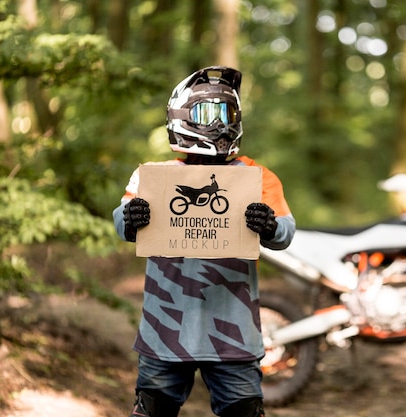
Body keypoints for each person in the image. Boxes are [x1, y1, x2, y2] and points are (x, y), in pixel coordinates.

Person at [112, 66, 295, 417]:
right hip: (166, 332)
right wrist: (132, 217)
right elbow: (122, 223)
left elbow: (285, 232)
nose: (218, 122)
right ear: (182, 116)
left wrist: (269, 226)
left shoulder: (258, 178)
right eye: (207, 112)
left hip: (233, 336)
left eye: (225, 112)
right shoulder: (152, 176)